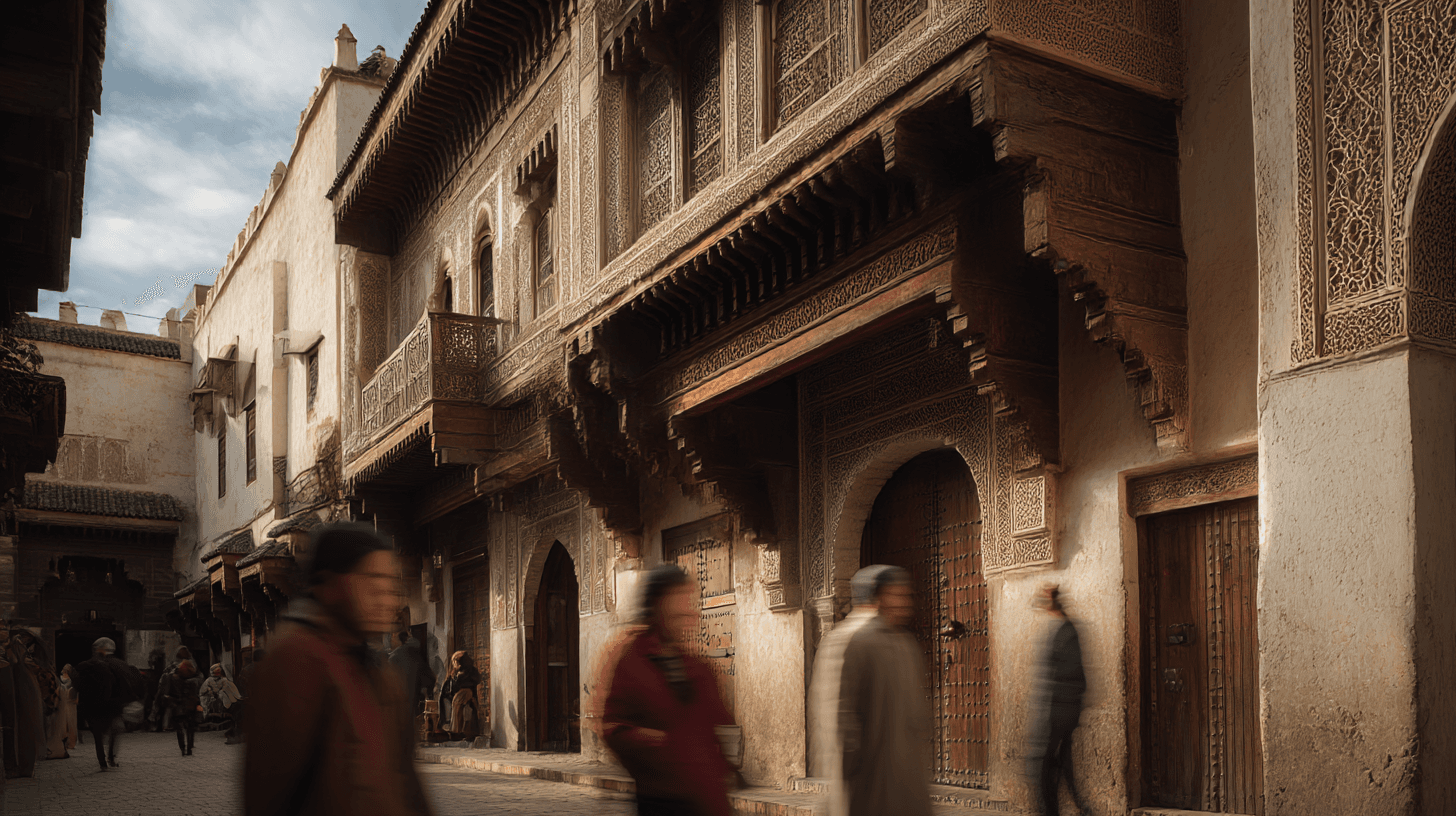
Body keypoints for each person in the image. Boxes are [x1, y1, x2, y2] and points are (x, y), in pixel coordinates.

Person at [244, 522, 431, 816]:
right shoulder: (297, 660)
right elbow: (269, 793)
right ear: (330, 585)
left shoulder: (377, 666)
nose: (388, 598)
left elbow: (404, 779)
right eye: (374, 580)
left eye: (391, 585)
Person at [596, 564, 735, 816]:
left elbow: (716, 727)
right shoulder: (630, 659)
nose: (688, 612)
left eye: (688, 601)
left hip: (708, 801)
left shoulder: (697, 667)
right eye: (678, 601)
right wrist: (657, 743)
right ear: (658, 605)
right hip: (661, 801)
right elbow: (612, 727)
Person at [810, 565, 932, 816]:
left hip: (906, 782)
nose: (906, 602)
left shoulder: (904, 643)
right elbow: (839, 720)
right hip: (869, 785)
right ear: (877, 597)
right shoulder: (849, 641)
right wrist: (847, 783)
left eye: (907, 595)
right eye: (898, 595)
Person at [1026, 585, 1088, 816]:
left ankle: (1057, 810)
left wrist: (1058, 710)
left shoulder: (1068, 632)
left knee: (1043, 766)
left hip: (1060, 712)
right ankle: (1079, 807)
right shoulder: (1061, 629)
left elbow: (1073, 676)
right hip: (1058, 710)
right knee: (1061, 766)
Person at [73, 637, 142, 771]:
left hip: (94, 705)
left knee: (98, 735)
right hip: (115, 705)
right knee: (114, 731)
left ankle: (102, 762)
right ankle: (111, 757)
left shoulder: (89, 665)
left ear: (98, 650)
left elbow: (80, 683)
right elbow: (131, 684)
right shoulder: (121, 665)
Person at [159, 660, 203, 756]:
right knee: (190, 728)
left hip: (177, 705)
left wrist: (170, 702)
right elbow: (195, 693)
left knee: (180, 728)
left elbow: (166, 692)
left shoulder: (171, 677)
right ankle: (189, 748)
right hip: (189, 704)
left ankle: (183, 748)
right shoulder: (192, 678)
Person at [388, 630, 435, 717]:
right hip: (415, 697)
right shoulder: (418, 653)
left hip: (400, 698)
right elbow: (430, 676)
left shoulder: (394, 656)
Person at [436, 651, 480, 741]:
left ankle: (456, 731)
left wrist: (457, 677)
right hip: (456, 693)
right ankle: (448, 726)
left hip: (467, 693)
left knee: (457, 701)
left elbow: (465, 683)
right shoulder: (456, 671)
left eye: (455, 661)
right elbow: (450, 686)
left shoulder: (470, 670)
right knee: (448, 700)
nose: (454, 663)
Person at [200, 663, 243, 740]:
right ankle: (234, 733)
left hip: (229, 702)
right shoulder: (219, 681)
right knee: (236, 716)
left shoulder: (220, 680)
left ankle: (234, 733)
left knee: (236, 717)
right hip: (228, 703)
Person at [46, 664, 78, 758]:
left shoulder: (71, 681)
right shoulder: (59, 679)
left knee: (71, 723)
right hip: (63, 703)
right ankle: (64, 743)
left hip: (70, 703)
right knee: (63, 724)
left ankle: (70, 743)